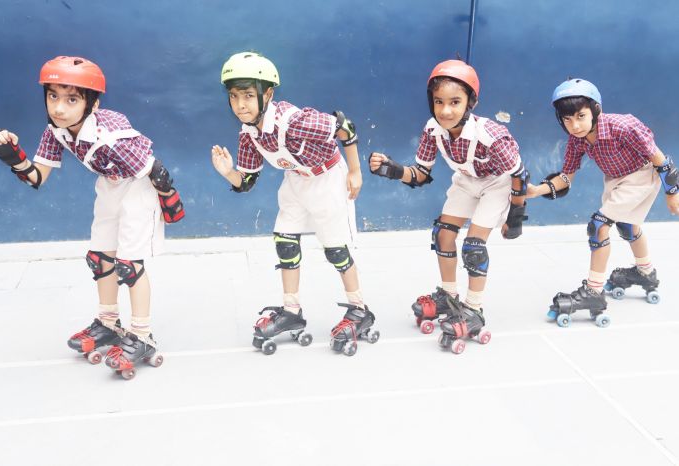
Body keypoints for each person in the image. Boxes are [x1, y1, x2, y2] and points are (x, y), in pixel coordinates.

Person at [0, 56, 185, 378]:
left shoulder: (112, 134)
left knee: (129, 264)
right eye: (53, 96)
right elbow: (37, 178)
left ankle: (143, 335)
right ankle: (108, 323)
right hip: (109, 185)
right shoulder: (56, 131)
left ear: (92, 104)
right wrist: (13, 157)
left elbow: (155, 170)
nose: (59, 108)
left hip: (137, 189)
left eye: (71, 99)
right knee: (100, 259)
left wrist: (168, 201)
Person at [211, 51, 379, 356]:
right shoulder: (249, 134)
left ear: (268, 94)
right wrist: (228, 173)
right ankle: (291, 311)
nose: (240, 104)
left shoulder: (294, 122)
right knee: (285, 242)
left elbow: (346, 127)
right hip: (296, 180)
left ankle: (359, 309)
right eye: (234, 96)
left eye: (248, 95)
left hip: (328, 178)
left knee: (336, 250)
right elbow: (247, 181)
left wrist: (355, 172)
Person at [369, 59, 528, 353]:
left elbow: (520, 176)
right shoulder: (433, 130)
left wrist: (515, 217)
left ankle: (474, 309)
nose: (445, 110)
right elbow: (421, 174)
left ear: (470, 103)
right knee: (442, 233)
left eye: (455, 102)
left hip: (497, 184)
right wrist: (393, 170)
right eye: (438, 101)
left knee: (473, 247)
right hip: (467, 180)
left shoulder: (490, 135)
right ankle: (448, 294)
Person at [527, 78, 678, 327]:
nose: (575, 125)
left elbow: (662, 161)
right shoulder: (577, 140)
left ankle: (594, 292)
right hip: (615, 180)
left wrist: (672, 193)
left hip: (641, 177)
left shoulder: (623, 126)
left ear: (595, 110)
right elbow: (566, 178)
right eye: (567, 119)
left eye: (581, 116)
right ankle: (646, 273)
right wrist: (534, 191)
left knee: (599, 226)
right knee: (627, 226)